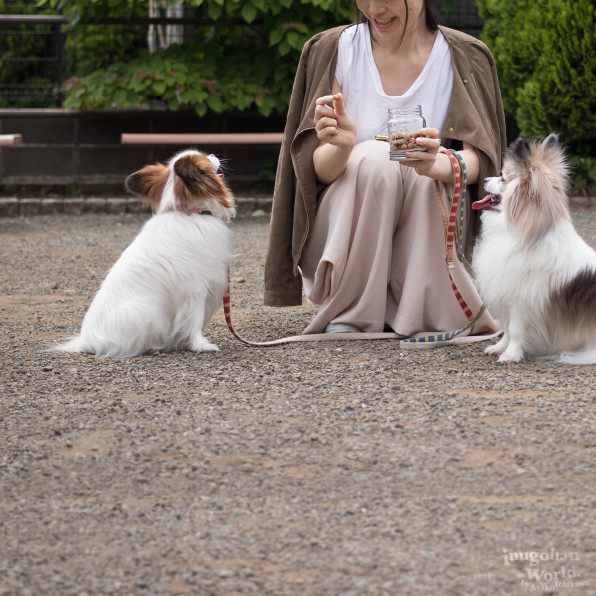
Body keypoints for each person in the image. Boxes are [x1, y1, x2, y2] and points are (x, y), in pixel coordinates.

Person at [264, 0, 507, 340]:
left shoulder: (466, 56)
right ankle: (354, 308)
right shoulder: (334, 49)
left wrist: (437, 164)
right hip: (344, 225)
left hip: (429, 216)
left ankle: (423, 307)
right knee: (376, 159)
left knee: (425, 178)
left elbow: (482, 163)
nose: (375, 8)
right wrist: (343, 145)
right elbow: (314, 172)